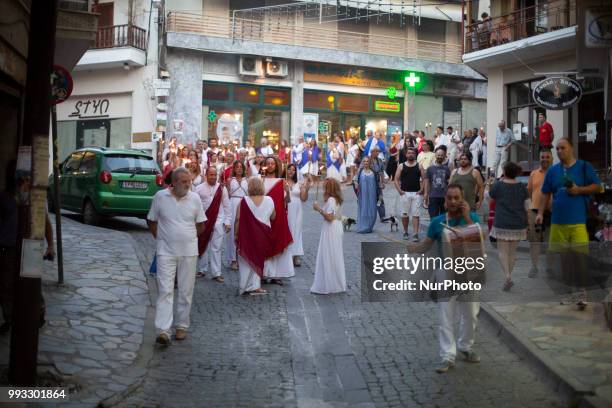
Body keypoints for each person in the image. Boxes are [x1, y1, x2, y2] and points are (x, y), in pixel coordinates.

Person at [408, 184, 481, 373]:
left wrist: (466, 217)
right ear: (445, 201)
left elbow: (479, 240)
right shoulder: (437, 222)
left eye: (457, 198)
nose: (454, 202)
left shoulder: (471, 218)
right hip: (445, 273)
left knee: (471, 314)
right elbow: (426, 244)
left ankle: (465, 346)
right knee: (446, 316)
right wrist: (414, 249)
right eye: (450, 198)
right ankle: (448, 355)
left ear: (463, 200)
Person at [536, 138, 601, 308]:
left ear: (571, 148)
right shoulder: (553, 171)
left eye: (562, 148)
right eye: (557, 148)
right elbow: (545, 193)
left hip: (578, 221)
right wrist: (541, 213)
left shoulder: (584, 167)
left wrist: (579, 190)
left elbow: (597, 187)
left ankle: (582, 293)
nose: (559, 151)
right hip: (558, 222)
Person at [147, 168, 206, 345]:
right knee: (165, 290)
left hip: (189, 252)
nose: (189, 184)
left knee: (186, 291)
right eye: (184, 182)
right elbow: (152, 220)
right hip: (165, 251)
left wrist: (187, 237)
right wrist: (161, 238)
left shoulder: (195, 198)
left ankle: (181, 325)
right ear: (174, 182)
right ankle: (163, 330)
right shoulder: (160, 197)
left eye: (189, 181)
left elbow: (201, 225)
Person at [489, 162, 529, 291]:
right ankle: (509, 276)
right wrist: (528, 223)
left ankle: (507, 276)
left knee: (502, 252)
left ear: (505, 172)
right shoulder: (522, 187)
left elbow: (488, 198)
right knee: (512, 253)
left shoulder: (498, 186)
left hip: (502, 222)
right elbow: (527, 206)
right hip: (518, 223)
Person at [235, 177, 275, 296]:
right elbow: (273, 217)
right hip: (262, 234)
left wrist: (235, 235)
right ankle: (255, 286)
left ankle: (244, 285)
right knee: (258, 259)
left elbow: (238, 219)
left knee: (246, 260)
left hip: (247, 234)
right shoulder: (269, 200)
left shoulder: (244, 200)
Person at [195, 167, 231, 282]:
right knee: (203, 245)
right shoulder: (199, 189)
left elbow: (227, 206)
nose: (213, 177)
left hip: (218, 221)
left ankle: (216, 273)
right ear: (206, 175)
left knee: (217, 247)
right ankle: (202, 269)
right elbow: (196, 206)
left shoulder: (222, 188)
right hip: (204, 221)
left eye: (215, 175)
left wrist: (228, 221)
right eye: (211, 175)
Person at [262, 156, 295, 285]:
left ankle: (277, 274)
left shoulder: (282, 182)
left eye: (272, 163)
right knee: (265, 244)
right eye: (268, 163)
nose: (270, 165)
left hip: (279, 217)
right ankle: (264, 273)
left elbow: (287, 202)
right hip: (265, 217)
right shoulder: (261, 180)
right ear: (265, 165)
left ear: (276, 166)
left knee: (278, 242)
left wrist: (287, 192)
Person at [311, 178, 346, 294]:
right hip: (336, 227)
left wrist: (318, 209)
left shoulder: (331, 200)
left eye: (325, 187)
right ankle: (335, 283)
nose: (323, 190)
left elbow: (329, 217)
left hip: (331, 229)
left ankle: (329, 284)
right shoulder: (335, 199)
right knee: (334, 255)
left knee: (329, 254)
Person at [527, 149, 553, 278]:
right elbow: (529, 191)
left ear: (552, 158)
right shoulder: (534, 174)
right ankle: (534, 266)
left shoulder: (556, 173)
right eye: (542, 157)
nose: (545, 159)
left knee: (550, 241)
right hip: (534, 210)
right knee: (534, 241)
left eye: (547, 157)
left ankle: (549, 268)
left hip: (551, 211)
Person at [394, 147, 423, 241]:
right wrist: (399, 191)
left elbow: (424, 179)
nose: (410, 154)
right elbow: (396, 179)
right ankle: (405, 231)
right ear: (406, 155)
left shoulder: (419, 165)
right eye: (409, 153)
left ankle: (415, 233)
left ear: (415, 155)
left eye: (412, 153)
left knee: (416, 215)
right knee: (405, 214)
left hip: (416, 194)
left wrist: (422, 190)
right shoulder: (401, 166)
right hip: (404, 193)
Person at [225, 160, 249, 271]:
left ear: (243, 169)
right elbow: (227, 195)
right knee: (231, 234)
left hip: (244, 204)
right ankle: (233, 259)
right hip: (232, 204)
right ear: (234, 169)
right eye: (237, 167)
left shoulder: (247, 180)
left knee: (243, 231)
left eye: (241, 167)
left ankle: (242, 257)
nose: (239, 169)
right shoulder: (230, 180)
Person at [286, 164, 310, 267]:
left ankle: (296, 255)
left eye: (293, 170)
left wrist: (307, 188)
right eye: (289, 169)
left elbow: (304, 199)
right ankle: (287, 254)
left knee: (296, 230)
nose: (291, 171)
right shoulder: (282, 182)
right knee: (287, 230)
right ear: (286, 170)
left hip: (297, 208)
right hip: (285, 208)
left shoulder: (299, 184)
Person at [424, 147, 451, 218]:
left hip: (444, 197)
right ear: (435, 156)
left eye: (442, 155)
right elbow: (427, 182)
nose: (440, 157)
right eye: (438, 155)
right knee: (433, 217)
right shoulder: (430, 168)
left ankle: (441, 229)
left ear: (444, 156)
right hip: (433, 196)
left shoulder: (447, 169)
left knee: (443, 218)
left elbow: (450, 183)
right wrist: (426, 194)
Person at [355, 156, 379, 234]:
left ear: (369, 163)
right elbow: (355, 180)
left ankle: (370, 226)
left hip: (372, 194)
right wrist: (356, 184)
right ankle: (363, 226)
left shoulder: (373, 172)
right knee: (363, 209)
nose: (366, 163)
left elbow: (378, 183)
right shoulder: (360, 171)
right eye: (364, 161)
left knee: (372, 210)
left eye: (367, 161)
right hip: (363, 195)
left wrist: (380, 193)